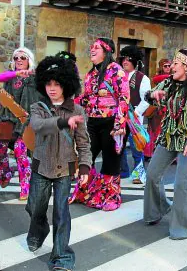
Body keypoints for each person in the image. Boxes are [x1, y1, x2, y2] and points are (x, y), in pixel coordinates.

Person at [27, 56, 91, 271]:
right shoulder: (38, 107)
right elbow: (38, 126)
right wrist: (63, 122)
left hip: (65, 168)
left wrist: (84, 166)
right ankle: (38, 229)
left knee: (62, 213)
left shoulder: (77, 110)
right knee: (35, 207)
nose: (52, 89)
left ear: (66, 84)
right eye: (48, 83)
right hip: (41, 167)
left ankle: (62, 258)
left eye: (57, 84)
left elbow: (83, 142)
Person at [143, 49, 187, 240]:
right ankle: (157, 210)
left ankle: (184, 226)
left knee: (182, 182)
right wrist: (153, 94)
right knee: (152, 174)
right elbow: (149, 97)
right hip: (168, 137)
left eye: (175, 63)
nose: (171, 67)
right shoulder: (169, 83)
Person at [70, 38, 129, 211]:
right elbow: (87, 98)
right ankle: (85, 192)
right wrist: (67, 104)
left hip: (112, 123)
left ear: (107, 51)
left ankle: (111, 197)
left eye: (97, 47)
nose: (92, 50)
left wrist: (119, 125)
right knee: (86, 157)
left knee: (111, 161)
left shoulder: (116, 71)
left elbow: (124, 99)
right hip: (93, 122)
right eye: (91, 47)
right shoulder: (91, 74)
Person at [0, 48, 42, 201]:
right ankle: (5, 172)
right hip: (7, 119)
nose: (19, 60)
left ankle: (25, 186)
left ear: (29, 61)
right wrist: (16, 73)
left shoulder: (34, 77)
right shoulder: (10, 76)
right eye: (16, 58)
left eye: (23, 58)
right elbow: (0, 77)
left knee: (20, 152)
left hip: (24, 120)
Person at [118, 45, 151, 183]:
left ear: (135, 62)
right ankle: (123, 171)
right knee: (119, 146)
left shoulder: (142, 78)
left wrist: (135, 113)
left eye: (128, 59)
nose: (125, 62)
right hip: (119, 116)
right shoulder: (118, 76)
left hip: (134, 118)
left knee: (136, 147)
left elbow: (146, 100)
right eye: (123, 59)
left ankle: (138, 173)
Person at [144, 59, 171, 161]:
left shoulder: (173, 78)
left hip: (168, 108)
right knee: (155, 132)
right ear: (161, 67)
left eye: (169, 66)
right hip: (158, 109)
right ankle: (150, 153)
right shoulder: (159, 78)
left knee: (167, 131)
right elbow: (157, 79)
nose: (168, 68)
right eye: (165, 66)